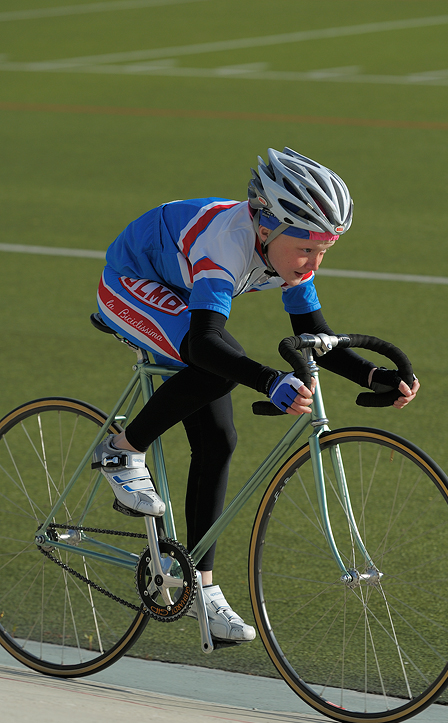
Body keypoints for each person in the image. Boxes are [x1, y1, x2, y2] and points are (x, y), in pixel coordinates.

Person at [93, 147, 419, 643]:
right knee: (217, 365)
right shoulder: (226, 242)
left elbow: (316, 339)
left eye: (324, 251)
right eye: (307, 248)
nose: (313, 262)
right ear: (267, 227)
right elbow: (203, 342)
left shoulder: (287, 249)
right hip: (132, 283)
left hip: (182, 293)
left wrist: (374, 377)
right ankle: (121, 451)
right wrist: (271, 380)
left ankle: (199, 585)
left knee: (220, 440)